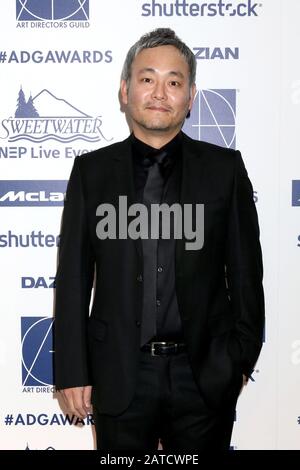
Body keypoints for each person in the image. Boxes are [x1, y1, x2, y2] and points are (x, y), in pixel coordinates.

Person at [54, 28, 265, 451]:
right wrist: (72, 371)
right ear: (125, 90)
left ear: (190, 97)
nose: (159, 92)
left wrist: (238, 359)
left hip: (203, 375)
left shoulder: (225, 170)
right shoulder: (92, 173)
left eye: (174, 82)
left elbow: (245, 275)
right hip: (119, 372)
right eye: (147, 78)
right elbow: (74, 279)